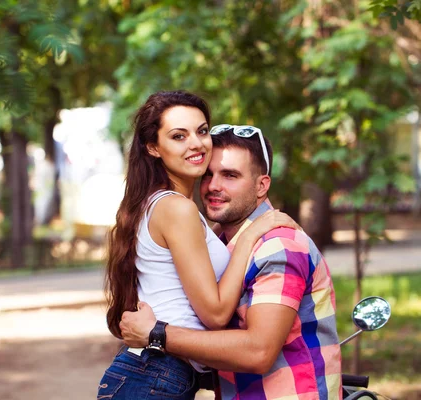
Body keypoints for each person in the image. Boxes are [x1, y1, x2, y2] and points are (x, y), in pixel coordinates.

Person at [97, 91, 298, 400]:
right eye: (179, 136)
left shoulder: (162, 205)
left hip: (153, 373)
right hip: (155, 374)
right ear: (153, 147)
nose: (196, 143)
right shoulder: (177, 209)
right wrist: (253, 233)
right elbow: (215, 314)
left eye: (202, 131)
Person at [119, 124, 343, 399]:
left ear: (262, 185)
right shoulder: (219, 244)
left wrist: (156, 334)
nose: (214, 186)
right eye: (209, 174)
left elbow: (258, 351)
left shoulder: (278, 246)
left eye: (230, 176)